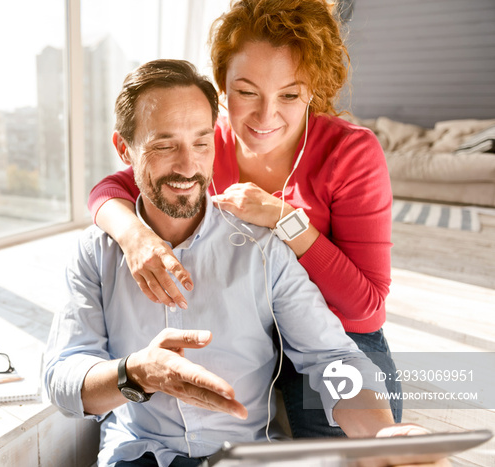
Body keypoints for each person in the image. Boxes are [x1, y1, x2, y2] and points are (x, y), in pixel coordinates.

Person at [45, 59, 434, 467]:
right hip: (136, 452)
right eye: (164, 145)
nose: (187, 166)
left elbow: (331, 358)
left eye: (201, 142)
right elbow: (63, 377)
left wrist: (380, 432)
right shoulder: (95, 253)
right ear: (124, 149)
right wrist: (136, 374)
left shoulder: (262, 248)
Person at [86, 0, 401, 438]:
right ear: (222, 87)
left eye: (290, 95)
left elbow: (366, 309)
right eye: (247, 92)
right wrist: (134, 236)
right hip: (242, 318)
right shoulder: (204, 143)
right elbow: (112, 187)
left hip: (333, 329)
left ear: (314, 90)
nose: (266, 116)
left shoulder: (349, 154)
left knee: (351, 443)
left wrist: (286, 220)